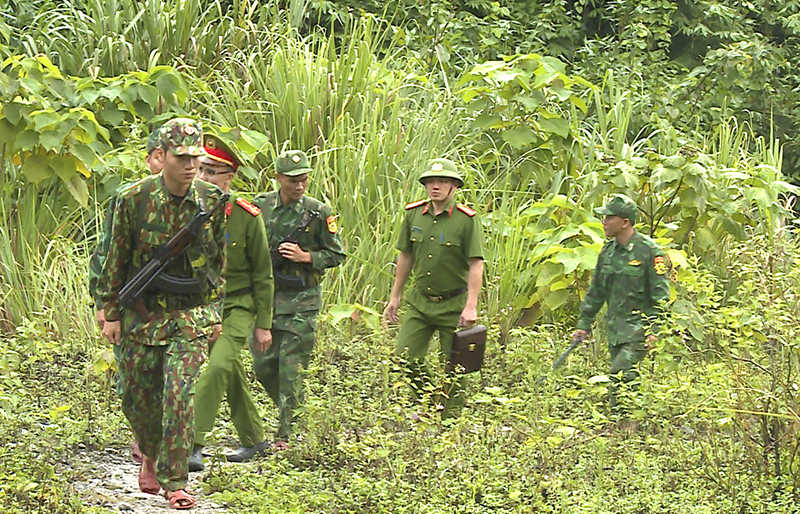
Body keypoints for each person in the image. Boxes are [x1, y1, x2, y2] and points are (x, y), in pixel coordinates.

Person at [99, 118, 226, 510]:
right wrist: (111, 311)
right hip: (139, 315)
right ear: (162, 157)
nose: (190, 165)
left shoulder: (211, 200)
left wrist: (216, 310)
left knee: (179, 395)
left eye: (195, 157)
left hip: (189, 316)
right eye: (182, 157)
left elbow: (218, 261)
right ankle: (149, 454)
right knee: (136, 396)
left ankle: (176, 481)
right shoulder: (133, 198)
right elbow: (113, 257)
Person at [189, 134, 274, 471]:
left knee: (218, 367)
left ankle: (192, 443)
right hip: (200, 305)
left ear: (230, 177)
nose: (205, 178)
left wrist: (263, 324)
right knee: (231, 371)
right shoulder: (187, 210)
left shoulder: (246, 216)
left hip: (237, 305)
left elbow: (263, 274)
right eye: (202, 170)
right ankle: (255, 439)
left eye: (213, 172)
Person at [251, 149, 345, 450]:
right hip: (266, 300)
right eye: (292, 180)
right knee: (264, 365)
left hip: (302, 301)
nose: (299, 185)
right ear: (278, 178)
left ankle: (286, 434)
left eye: (303, 179)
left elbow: (336, 254)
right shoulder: (260, 207)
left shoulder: (318, 212)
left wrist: (306, 257)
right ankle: (293, 410)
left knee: (291, 369)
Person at [383, 158, 484, 419]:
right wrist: (395, 297)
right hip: (420, 301)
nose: (435, 187)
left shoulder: (466, 220)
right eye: (431, 182)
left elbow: (476, 264)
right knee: (406, 357)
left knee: (455, 367)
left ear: (454, 187)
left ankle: (449, 422)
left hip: (453, 303)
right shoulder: (414, 214)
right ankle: (428, 402)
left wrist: (471, 305)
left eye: (442, 182)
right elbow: (405, 256)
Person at [89, 127, 163, 465]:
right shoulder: (129, 197)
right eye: (159, 155)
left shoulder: (198, 199)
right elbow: (106, 252)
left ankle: (163, 452)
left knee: (172, 380)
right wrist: (104, 305)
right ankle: (144, 436)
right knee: (134, 384)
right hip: (131, 305)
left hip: (174, 308)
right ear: (149, 160)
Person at [571, 193, 670, 406]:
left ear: (625, 222)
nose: (604, 222)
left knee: (621, 373)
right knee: (623, 378)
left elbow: (661, 296)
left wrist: (655, 330)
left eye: (609, 218)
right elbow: (596, 291)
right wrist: (584, 324)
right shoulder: (608, 252)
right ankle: (625, 425)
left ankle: (628, 423)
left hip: (638, 330)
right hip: (616, 330)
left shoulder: (650, 251)